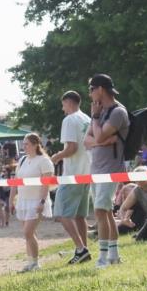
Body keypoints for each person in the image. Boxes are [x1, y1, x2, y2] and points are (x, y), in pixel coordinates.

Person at [83, 73, 130, 268]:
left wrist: (95, 120)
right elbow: (87, 141)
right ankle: (114, 255)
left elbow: (99, 136)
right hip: (96, 169)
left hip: (111, 169)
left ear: (100, 89)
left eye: (91, 89)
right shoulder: (99, 110)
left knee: (100, 211)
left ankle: (102, 258)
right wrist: (100, 141)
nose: (90, 94)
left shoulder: (118, 112)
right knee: (107, 212)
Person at [50, 90, 93, 264]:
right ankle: (83, 250)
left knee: (61, 214)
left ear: (69, 102)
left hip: (73, 174)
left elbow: (71, 148)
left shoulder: (69, 119)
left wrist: (55, 157)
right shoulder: (87, 119)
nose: (63, 109)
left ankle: (81, 249)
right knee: (80, 216)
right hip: (87, 172)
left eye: (63, 105)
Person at [14, 134, 55, 272]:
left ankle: (36, 263)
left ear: (35, 144)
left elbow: (46, 184)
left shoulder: (44, 161)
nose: (24, 146)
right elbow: (16, 181)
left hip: (36, 200)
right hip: (23, 200)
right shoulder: (22, 160)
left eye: (26, 144)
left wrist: (42, 201)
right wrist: (11, 198)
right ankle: (30, 262)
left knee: (28, 232)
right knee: (28, 234)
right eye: (23, 144)